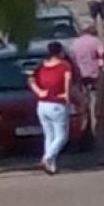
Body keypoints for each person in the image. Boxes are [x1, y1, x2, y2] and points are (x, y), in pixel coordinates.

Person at [28, 42, 73, 175]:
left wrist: (39, 92)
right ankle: (47, 158)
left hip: (42, 104)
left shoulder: (41, 66)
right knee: (62, 136)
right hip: (57, 103)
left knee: (49, 135)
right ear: (60, 52)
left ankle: (51, 165)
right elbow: (68, 79)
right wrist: (66, 94)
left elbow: (30, 80)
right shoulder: (64, 66)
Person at [69, 20, 104, 91]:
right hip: (94, 74)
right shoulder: (96, 41)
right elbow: (101, 54)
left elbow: (72, 58)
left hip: (80, 74)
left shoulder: (75, 43)